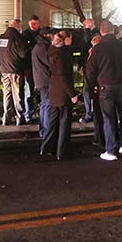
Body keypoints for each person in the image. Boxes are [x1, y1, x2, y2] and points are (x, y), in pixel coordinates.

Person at [84, 20, 122, 161]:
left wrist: (91, 86)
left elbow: (90, 70)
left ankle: (111, 149)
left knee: (108, 118)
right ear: (113, 30)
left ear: (101, 32)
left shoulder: (98, 48)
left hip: (105, 87)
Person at [40, 30, 79, 160]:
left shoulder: (52, 50)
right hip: (62, 93)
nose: (71, 41)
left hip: (53, 90)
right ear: (66, 39)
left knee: (52, 122)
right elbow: (63, 76)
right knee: (64, 123)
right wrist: (72, 94)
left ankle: (46, 147)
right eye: (70, 39)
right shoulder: (63, 54)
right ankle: (62, 151)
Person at [0, 19, 26, 125]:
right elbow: (23, 55)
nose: (20, 29)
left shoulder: (0, 38)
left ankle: (6, 117)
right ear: (16, 26)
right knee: (18, 94)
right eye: (19, 27)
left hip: (3, 71)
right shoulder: (18, 39)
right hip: (16, 70)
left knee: (6, 94)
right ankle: (19, 117)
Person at [32, 25, 58, 139]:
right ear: (47, 35)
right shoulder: (43, 48)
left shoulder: (39, 46)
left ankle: (43, 129)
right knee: (47, 105)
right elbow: (50, 63)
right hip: (46, 80)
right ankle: (47, 130)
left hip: (41, 79)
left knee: (44, 105)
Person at [77, 18, 99, 123]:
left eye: (85, 26)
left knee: (87, 91)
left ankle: (89, 113)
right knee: (89, 91)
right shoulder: (95, 34)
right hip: (90, 67)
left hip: (91, 68)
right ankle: (92, 113)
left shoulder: (93, 35)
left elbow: (86, 43)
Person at [21, 15, 41, 123]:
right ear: (29, 23)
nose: (34, 26)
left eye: (36, 23)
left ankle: (41, 111)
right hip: (29, 68)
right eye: (32, 23)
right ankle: (28, 113)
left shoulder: (41, 34)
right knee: (28, 91)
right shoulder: (25, 35)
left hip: (40, 68)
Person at [86, 33, 105, 148]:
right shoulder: (104, 54)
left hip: (97, 88)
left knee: (98, 115)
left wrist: (92, 87)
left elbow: (90, 72)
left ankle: (99, 138)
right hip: (102, 87)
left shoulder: (93, 55)